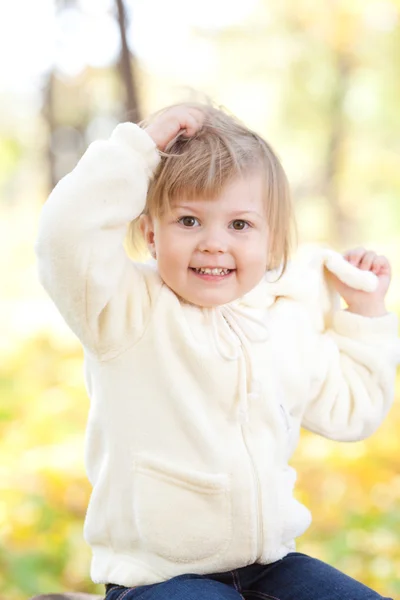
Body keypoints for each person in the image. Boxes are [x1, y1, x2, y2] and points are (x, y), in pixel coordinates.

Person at [35, 103, 399, 600]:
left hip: (269, 565)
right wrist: (139, 147)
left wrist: (364, 312)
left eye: (240, 225)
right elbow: (65, 236)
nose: (213, 243)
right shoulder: (124, 310)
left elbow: (352, 410)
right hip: (158, 577)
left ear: (272, 244)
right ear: (150, 235)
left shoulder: (281, 321)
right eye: (188, 220)